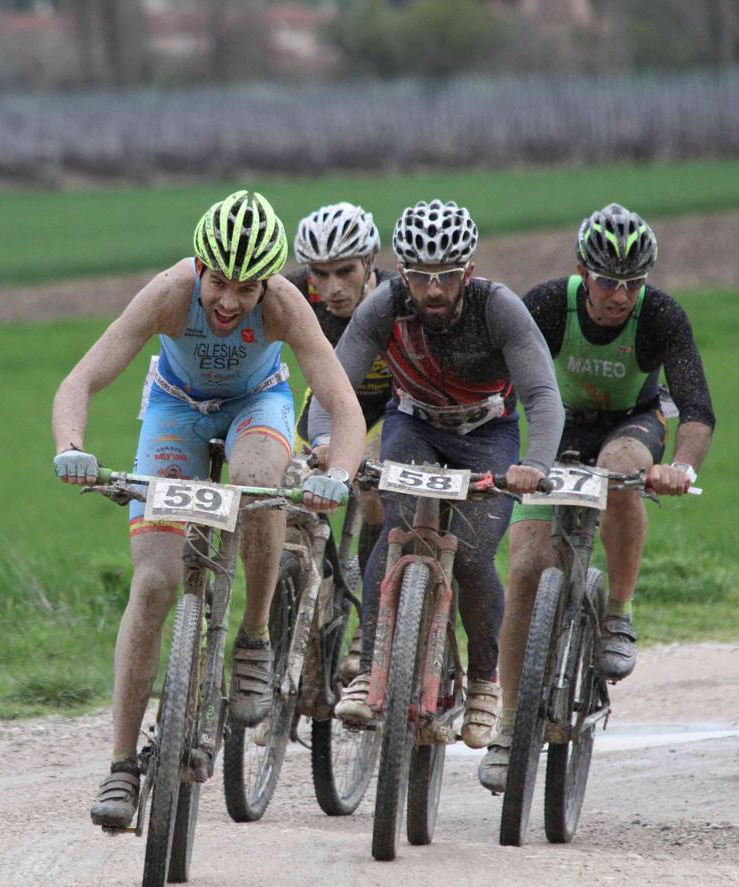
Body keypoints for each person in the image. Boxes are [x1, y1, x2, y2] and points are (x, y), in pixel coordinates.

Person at [51, 190, 367, 829]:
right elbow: (82, 378)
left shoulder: (285, 305)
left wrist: (338, 474)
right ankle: (120, 768)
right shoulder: (170, 291)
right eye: (218, 282)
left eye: (245, 289)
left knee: (256, 480)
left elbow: (344, 405)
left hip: (258, 404)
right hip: (174, 409)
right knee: (155, 582)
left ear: (268, 285)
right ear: (200, 268)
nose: (228, 301)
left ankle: (252, 638)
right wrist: (72, 446)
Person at [307, 199, 563, 749]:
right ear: (402, 272)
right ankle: (371, 668)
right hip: (414, 424)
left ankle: (483, 682)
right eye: (420, 276)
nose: (433, 290)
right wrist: (327, 442)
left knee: (471, 554)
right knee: (397, 532)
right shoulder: (384, 305)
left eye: (447, 275)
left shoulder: (499, 309)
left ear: (468, 271)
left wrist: (535, 466)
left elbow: (543, 395)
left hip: (487, 434)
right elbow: (334, 384)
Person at [478, 202, 715, 791]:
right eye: (608, 280)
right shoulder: (547, 305)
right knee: (528, 568)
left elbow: (697, 409)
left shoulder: (659, 315)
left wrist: (680, 466)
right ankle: (510, 728)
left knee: (622, 470)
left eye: (632, 283)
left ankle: (617, 615)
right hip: (558, 429)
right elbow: (496, 378)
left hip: (631, 425)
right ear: (583, 270)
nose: (619, 295)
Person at [285, 201, 399, 676]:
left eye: (344, 272)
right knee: (288, 492)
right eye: (319, 273)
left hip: (390, 407)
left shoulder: (397, 295)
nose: (330, 289)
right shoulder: (295, 293)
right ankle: (306, 597)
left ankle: (367, 622)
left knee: (372, 486)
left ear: (370, 259)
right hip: (331, 404)